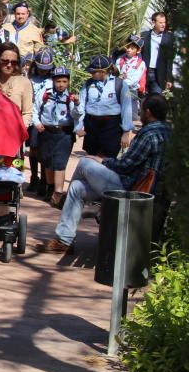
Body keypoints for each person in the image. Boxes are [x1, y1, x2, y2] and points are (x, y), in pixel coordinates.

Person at [37, 93, 170, 254]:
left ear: (148, 112)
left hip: (132, 190)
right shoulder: (167, 131)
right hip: (141, 186)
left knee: (86, 162)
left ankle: (63, 201)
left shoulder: (149, 134)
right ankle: (64, 240)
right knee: (78, 187)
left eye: (141, 110)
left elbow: (126, 166)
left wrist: (103, 161)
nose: (140, 113)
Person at [33, 66, 80, 208]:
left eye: (64, 81)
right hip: (46, 132)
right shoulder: (45, 94)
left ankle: (58, 194)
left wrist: (76, 104)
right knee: (48, 161)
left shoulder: (70, 97)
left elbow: (76, 115)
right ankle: (50, 187)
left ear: (68, 82)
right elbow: (35, 109)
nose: (61, 84)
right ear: (53, 81)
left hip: (64, 133)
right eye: (58, 81)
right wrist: (37, 123)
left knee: (60, 163)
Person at [76, 55, 133, 159]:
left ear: (103, 71)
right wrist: (78, 126)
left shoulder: (120, 84)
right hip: (92, 125)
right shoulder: (88, 84)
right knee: (91, 159)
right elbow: (81, 106)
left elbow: (127, 108)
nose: (91, 74)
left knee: (109, 159)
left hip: (111, 126)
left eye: (93, 72)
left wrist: (126, 132)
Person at [0, 42, 34, 129]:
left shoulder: (24, 82)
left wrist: (21, 130)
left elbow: (27, 113)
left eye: (13, 62)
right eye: (5, 61)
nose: (9, 65)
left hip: (14, 133)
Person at [26, 48, 55, 198]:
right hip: (32, 118)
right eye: (41, 68)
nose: (43, 71)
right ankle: (34, 177)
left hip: (47, 119)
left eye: (47, 69)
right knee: (34, 149)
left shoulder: (54, 80)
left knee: (45, 151)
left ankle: (45, 180)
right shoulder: (29, 78)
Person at [140, 11, 175, 94]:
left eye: (164, 22)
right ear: (154, 22)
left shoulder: (168, 37)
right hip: (144, 72)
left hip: (158, 75)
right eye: (160, 23)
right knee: (142, 99)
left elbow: (169, 60)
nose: (163, 25)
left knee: (156, 99)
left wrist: (169, 78)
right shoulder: (144, 35)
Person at [116, 34, 147, 121]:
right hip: (119, 89)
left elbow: (134, 80)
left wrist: (122, 80)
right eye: (128, 47)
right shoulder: (120, 60)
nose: (129, 50)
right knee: (119, 114)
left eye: (132, 48)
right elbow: (116, 74)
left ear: (138, 50)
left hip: (131, 91)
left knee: (132, 117)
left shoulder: (140, 63)